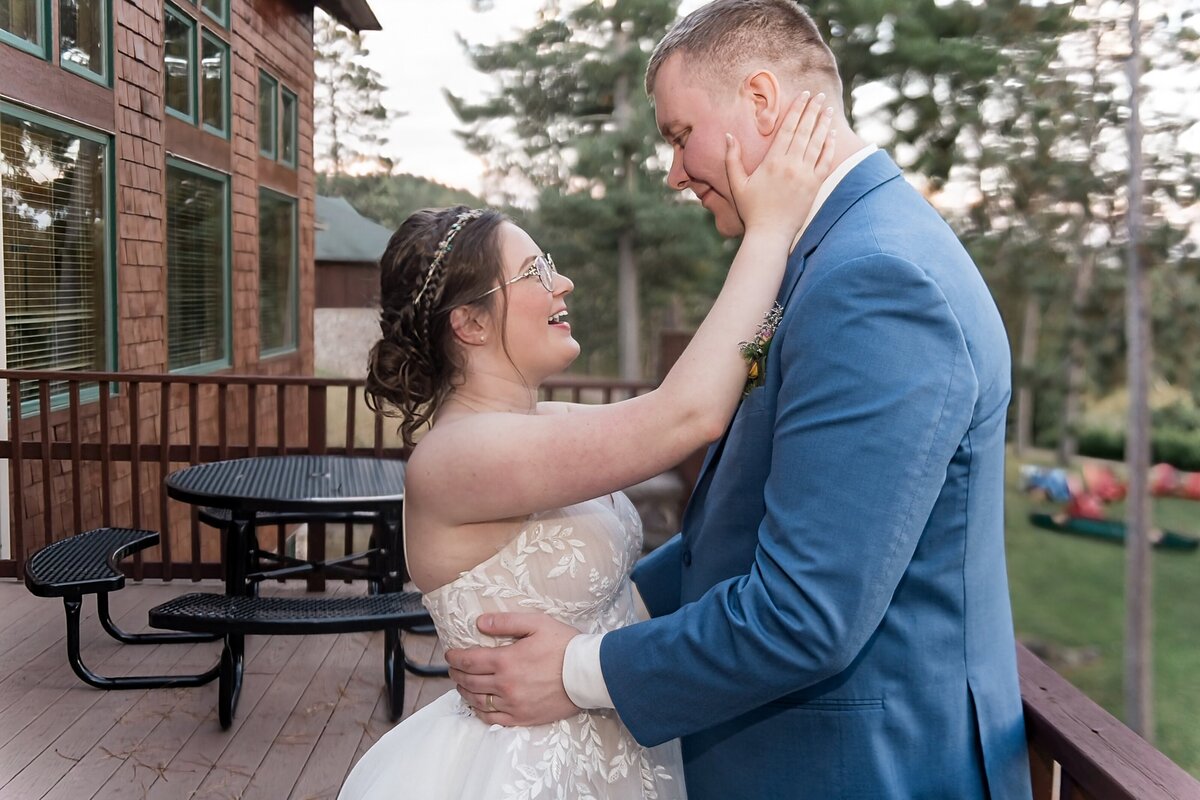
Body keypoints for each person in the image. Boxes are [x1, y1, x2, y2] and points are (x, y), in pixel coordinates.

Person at [444, 2, 1034, 799]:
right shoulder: (835, 256)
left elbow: (805, 614)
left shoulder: (875, 281)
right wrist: (590, 614)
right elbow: (740, 527)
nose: (674, 172)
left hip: (860, 770)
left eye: (680, 135)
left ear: (760, 101)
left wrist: (579, 670)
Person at [337, 94, 836, 799]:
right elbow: (686, 414)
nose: (562, 282)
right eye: (536, 273)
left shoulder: (547, 423)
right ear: (471, 323)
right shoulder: (456, 459)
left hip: (614, 747)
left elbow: (692, 403)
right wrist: (771, 227)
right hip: (526, 770)